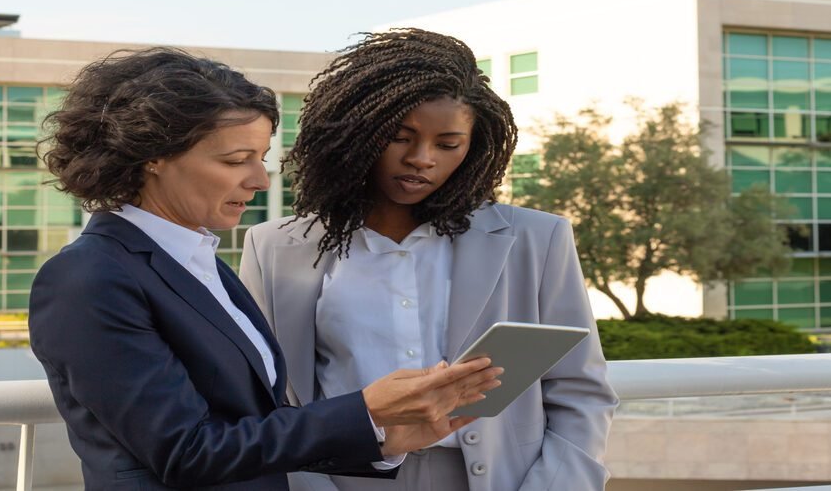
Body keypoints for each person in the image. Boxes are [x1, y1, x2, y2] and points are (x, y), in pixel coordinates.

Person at [28, 47, 502, 491]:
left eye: (260, 158)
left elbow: (255, 428)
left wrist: (384, 438)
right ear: (152, 156)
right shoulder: (87, 278)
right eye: (236, 160)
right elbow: (184, 451)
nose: (258, 180)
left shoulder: (201, 265)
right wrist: (363, 410)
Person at [240, 29, 618, 491]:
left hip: (503, 480)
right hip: (339, 480)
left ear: (473, 147)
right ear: (359, 133)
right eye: (400, 137)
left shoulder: (537, 239)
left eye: (448, 144)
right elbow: (268, 401)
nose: (422, 159)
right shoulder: (274, 247)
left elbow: (579, 391)